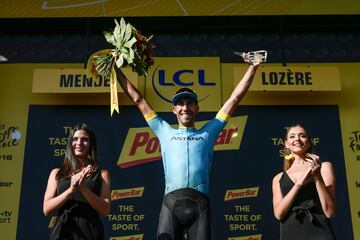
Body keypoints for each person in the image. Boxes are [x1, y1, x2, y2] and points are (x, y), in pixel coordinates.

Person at [115, 53, 263, 240]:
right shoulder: (163, 130)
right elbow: (138, 99)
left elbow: (234, 99)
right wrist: (115, 69)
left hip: (200, 205)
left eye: (190, 103)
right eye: (181, 104)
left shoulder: (208, 132)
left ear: (197, 108)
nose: (185, 108)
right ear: (174, 110)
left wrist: (253, 67)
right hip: (170, 204)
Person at [43, 123, 111, 240]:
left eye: (84, 140)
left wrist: (84, 188)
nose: (79, 143)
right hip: (62, 232)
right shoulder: (56, 173)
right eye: (75, 139)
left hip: (91, 231)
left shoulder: (102, 174)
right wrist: (71, 190)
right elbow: (47, 209)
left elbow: (105, 210)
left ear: (91, 145)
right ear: (70, 143)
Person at [272, 124, 336, 240]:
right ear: (286, 144)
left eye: (302, 136)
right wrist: (298, 186)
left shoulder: (324, 167)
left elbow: (330, 212)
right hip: (290, 234)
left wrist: (317, 176)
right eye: (292, 136)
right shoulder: (278, 178)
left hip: (320, 232)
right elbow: (278, 214)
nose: (297, 139)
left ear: (309, 142)